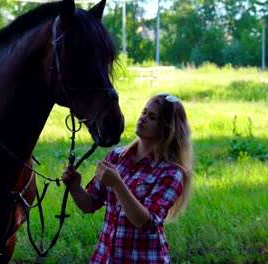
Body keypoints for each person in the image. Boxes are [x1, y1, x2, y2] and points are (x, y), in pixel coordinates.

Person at [62, 92, 193, 263]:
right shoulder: (116, 156)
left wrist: (117, 184)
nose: (143, 118)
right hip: (105, 258)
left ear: (166, 129)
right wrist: (75, 187)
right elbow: (89, 204)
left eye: (152, 117)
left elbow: (146, 222)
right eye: (144, 112)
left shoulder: (171, 172)